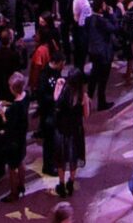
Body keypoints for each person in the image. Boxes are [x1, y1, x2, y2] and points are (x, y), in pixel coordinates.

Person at [48, 68, 90, 197]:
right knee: (73, 157)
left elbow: (55, 100)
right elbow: (86, 115)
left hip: (61, 130)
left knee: (61, 157)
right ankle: (70, 183)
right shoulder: (83, 96)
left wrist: (57, 86)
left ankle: (61, 184)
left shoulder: (63, 92)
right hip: (75, 130)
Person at [0, 74, 32, 202]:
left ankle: (13, 193)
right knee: (21, 160)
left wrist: (2, 113)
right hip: (22, 136)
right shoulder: (26, 96)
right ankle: (22, 185)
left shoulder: (14, 108)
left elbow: (8, 123)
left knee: (12, 167)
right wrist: (8, 103)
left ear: (13, 88)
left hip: (13, 139)